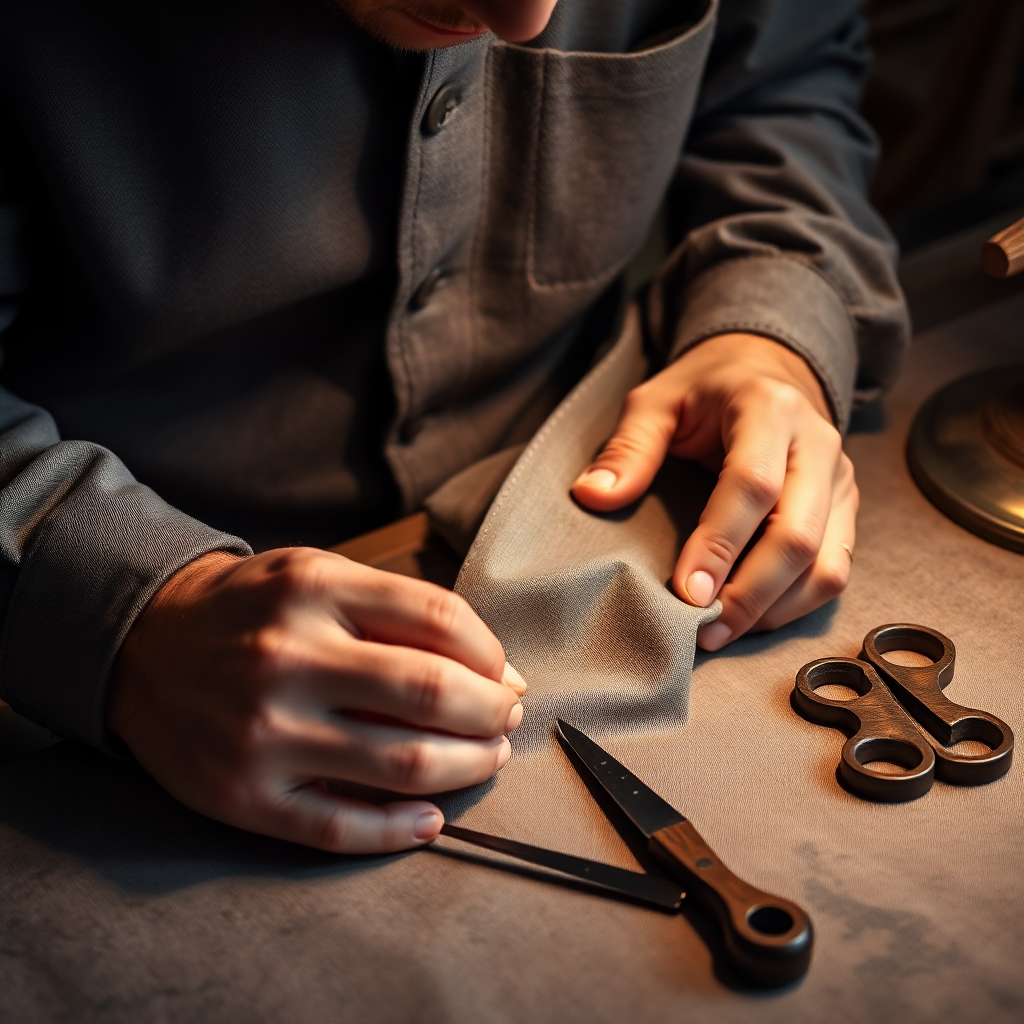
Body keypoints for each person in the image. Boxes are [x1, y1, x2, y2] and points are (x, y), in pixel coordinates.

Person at [0, 0, 908, 855]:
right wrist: (126, 611)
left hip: (573, 471)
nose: (526, 20)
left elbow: (784, 82)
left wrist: (771, 324)